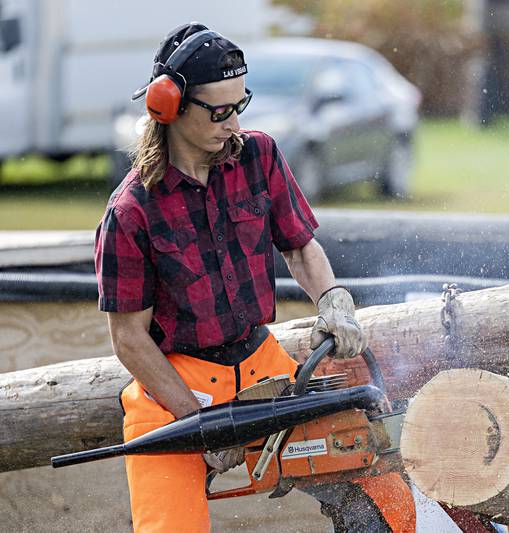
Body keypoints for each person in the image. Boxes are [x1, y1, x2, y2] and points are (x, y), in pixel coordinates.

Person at [94, 22, 415, 532]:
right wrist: (193, 421)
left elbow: (299, 245)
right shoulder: (132, 211)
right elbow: (129, 338)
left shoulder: (258, 156)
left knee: (378, 485)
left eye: (240, 106)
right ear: (168, 106)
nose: (233, 123)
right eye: (219, 112)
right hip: (178, 384)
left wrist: (332, 298)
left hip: (264, 366)